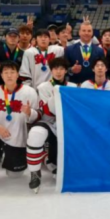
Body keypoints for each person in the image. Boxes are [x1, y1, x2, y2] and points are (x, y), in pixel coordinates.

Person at [0, 61, 40, 178]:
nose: (9, 75)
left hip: (18, 137)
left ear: (18, 74)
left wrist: (30, 112)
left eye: (12, 72)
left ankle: (11, 155)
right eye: (6, 72)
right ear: (1, 75)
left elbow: (39, 115)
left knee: (15, 175)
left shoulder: (29, 92)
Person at [32, 57, 78, 188]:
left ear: (66, 71)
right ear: (51, 70)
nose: (58, 72)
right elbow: (47, 109)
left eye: (62, 69)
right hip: (50, 122)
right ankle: (50, 160)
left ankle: (70, 163)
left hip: (68, 122)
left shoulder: (73, 86)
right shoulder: (43, 87)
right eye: (55, 69)